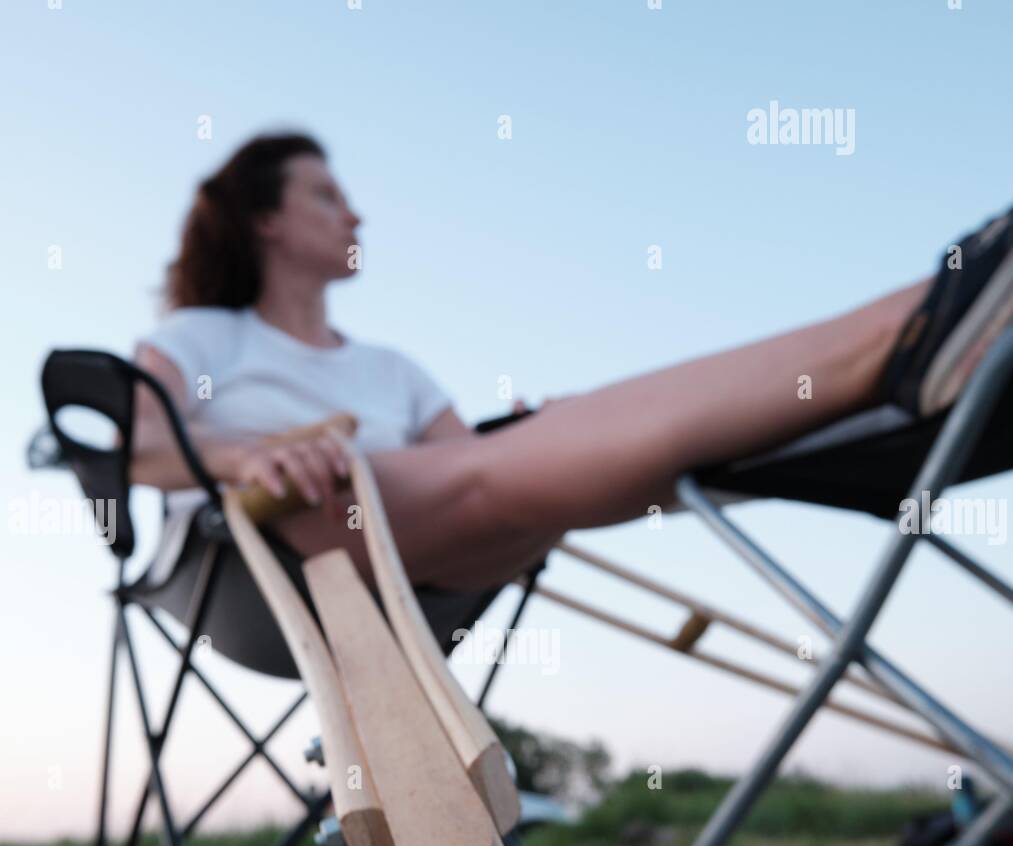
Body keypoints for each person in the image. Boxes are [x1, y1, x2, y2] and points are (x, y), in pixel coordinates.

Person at [132, 132, 1013, 593]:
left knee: (535, 440)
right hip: (258, 554)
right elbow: (132, 446)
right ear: (264, 220)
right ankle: (918, 333)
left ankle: (911, 378)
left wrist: (548, 433)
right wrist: (247, 456)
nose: (355, 215)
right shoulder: (204, 337)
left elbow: (467, 459)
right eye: (327, 195)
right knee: (504, 465)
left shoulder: (392, 367)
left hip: (434, 544)